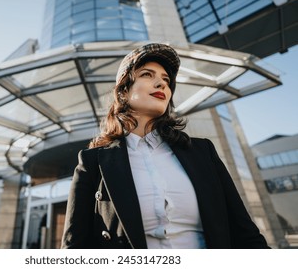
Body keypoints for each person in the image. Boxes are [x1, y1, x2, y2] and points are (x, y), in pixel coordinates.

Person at [61, 43, 269, 249]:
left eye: (166, 80)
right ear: (124, 92)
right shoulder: (92, 162)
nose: (161, 84)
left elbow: (246, 235)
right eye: (147, 75)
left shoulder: (202, 151)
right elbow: (74, 248)